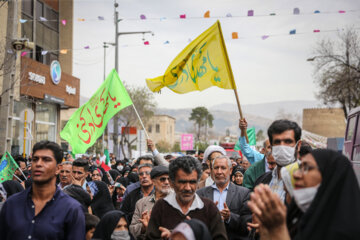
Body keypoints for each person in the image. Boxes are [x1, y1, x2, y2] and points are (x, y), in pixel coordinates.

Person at [248, 149, 360, 240]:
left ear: (329, 177)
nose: (296, 174)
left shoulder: (346, 233)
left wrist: (278, 231)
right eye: (300, 168)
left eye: (306, 168)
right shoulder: (299, 219)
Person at [0, 140, 85, 239]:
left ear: (58, 168)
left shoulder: (71, 209)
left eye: (46, 160)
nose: (38, 164)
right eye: (35, 159)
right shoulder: (12, 204)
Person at [146, 156, 227, 239]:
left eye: (192, 182)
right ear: (171, 183)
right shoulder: (161, 207)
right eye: (182, 182)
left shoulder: (209, 208)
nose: (188, 188)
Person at [197, 155, 252, 239]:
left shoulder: (243, 193)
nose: (219, 172)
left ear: (230, 170)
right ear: (211, 171)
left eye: (223, 168)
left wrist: (230, 217)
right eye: (216, 168)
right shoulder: (201, 194)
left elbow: (247, 223)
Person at [253, 119, 301, 201]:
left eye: (288, 141)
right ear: (271, 147)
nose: (282, 146)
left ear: (298, 145)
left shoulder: (305, 180)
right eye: (277, 142)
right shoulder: (262, 180)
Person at [130, 165, 171, 239]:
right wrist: (144, 227)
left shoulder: (180, 201)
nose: (167, 182)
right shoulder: (141, 203)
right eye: (162, 179)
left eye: (169, 179)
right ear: (153, 181)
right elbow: (132, 230)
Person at [240, 119, 276, 190]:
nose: (273, 150)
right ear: (263, 150)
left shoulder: (287, 166)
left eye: (275, 146)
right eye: (269, 147)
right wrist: (242, 131)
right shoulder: (253, 169)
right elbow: (246, 149)